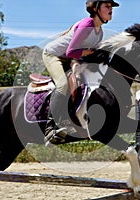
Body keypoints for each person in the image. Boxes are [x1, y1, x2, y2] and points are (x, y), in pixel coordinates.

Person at [42, 0, 119, 145]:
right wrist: (81, 57)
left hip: (69, 58)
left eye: (111, 7)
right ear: (96, 9)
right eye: (107, 6)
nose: (111, 10)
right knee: (62, 84)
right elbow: (71, 51)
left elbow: (83, 55)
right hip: (53, 55)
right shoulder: (87, 25)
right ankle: (51, 128)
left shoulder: (99, 33)